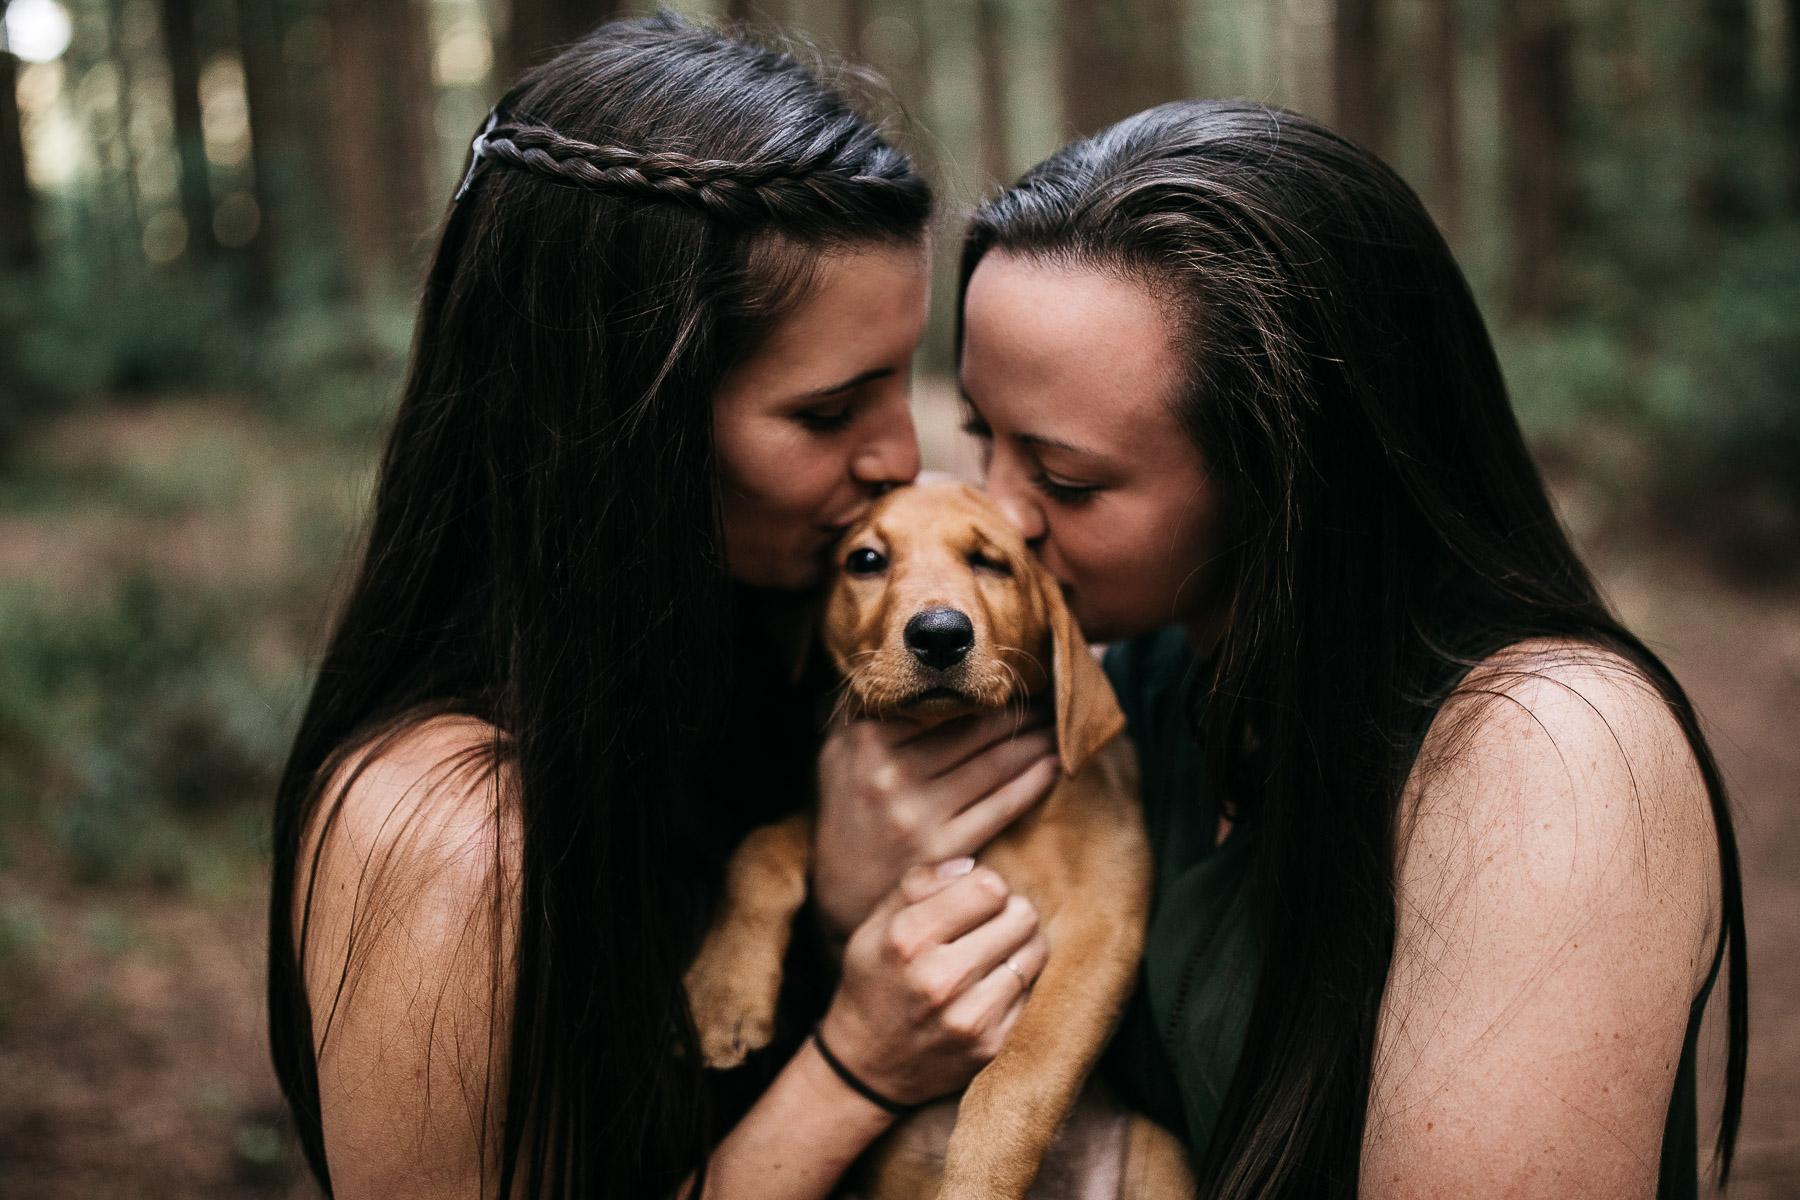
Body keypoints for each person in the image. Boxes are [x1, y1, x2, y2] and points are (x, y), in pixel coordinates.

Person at [810, 100, 1747, 1198]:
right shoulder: (1129, 687)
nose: (1000, 519)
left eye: (1064, 478)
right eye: (979, 433)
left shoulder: (1551, 755)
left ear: (1286, 481)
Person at [265, 16, 1065, 1199]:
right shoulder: (446, 844)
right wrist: (855, 1064)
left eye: (901, 384)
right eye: (827, 411)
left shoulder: (771, 641)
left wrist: (833, 898)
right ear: (626, 423)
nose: (901, 455)